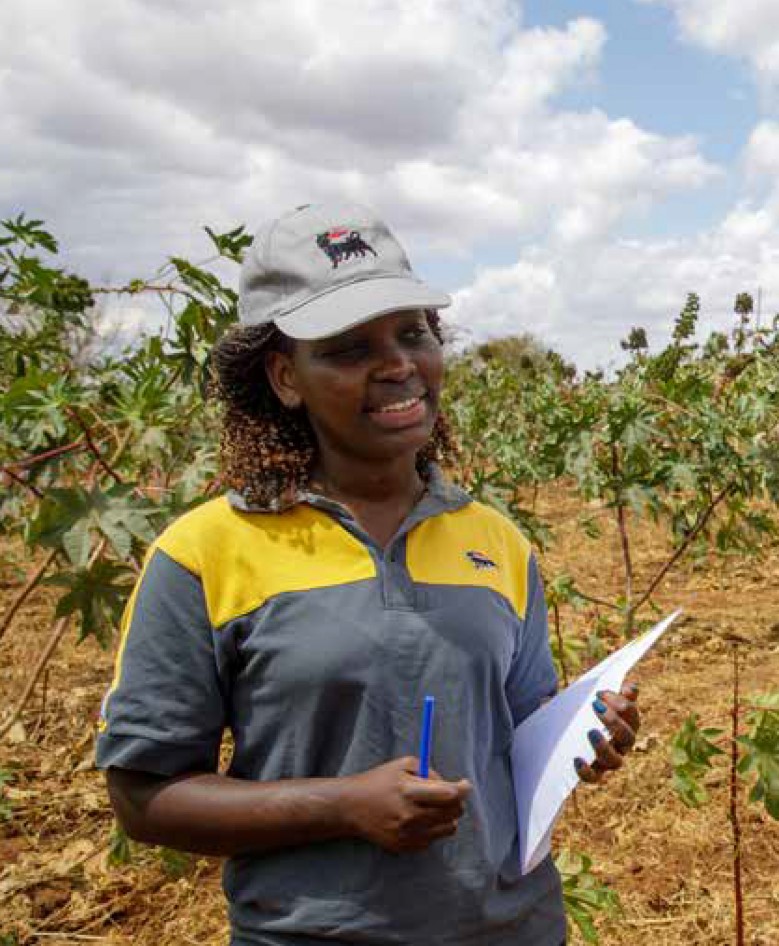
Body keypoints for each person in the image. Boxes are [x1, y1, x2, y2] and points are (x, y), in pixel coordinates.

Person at [95, 203, 638, 944]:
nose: (397, 364)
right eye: (350, 349)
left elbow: (519, 735)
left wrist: (587, 736)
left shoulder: (496, 541)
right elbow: (145, 798)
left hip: (515, 928)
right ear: (287, 377)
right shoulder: (204, 554)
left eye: (413, 333)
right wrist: (343, 805)